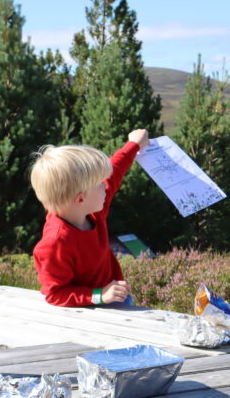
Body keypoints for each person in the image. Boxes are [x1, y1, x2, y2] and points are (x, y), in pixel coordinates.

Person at [31, 128, 150, 307]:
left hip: (113, 297)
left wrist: (134, 144)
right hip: (89, 313)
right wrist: (100, 295)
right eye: (99, 184)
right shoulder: (55, 243)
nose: (105, 186)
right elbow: (55, 294)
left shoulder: (90, 210)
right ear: (80, 198)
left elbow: (115, 172)